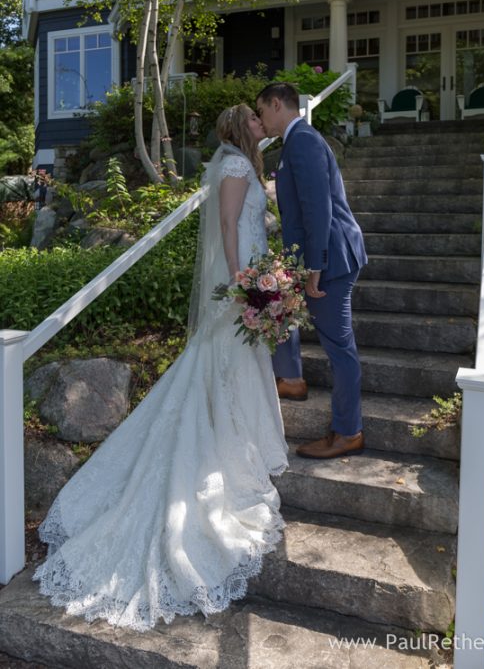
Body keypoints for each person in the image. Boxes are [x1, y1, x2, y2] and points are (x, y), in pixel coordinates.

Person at [32, 104, 288, 632]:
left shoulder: (238, 164)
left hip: (249, 280)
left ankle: (248, 435)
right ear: (244, 128)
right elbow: (225, 223)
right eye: (259, 122)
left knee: (232, 362)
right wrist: (245, 280)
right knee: (222, 364)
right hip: (242, 284)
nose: (266, 125)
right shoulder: (237, 167)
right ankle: (236, 441)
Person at [256, 82, 367, 460]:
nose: (261, 121)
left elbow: (317, 207)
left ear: (277, 104)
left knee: (340, 347)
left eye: (262, 113)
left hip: (331, 259)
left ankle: (348, 431)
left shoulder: (302, 140)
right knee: (279, 308)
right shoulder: (297, 141)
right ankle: (292, 378)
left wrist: (315, 264)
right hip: (315, 257)